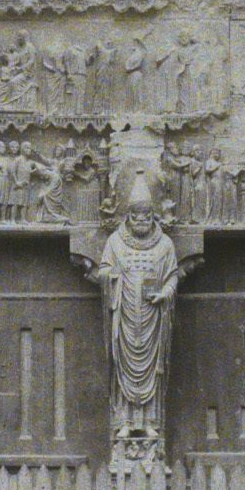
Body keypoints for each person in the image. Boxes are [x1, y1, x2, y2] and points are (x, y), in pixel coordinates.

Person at [96, 177, 181, 473]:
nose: (141, 220)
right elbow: (103, 271)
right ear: (128, 215)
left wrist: (165, 293)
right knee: (123, 367)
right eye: (136, 215)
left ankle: (149, 422)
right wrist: (112, 279)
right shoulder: (115, 242)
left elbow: (173, 276)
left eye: (146, 215)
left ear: (152, 215)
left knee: (153, 369)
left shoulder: (165, 245)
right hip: (124, 316)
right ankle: (125, 421)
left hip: (153, 319)